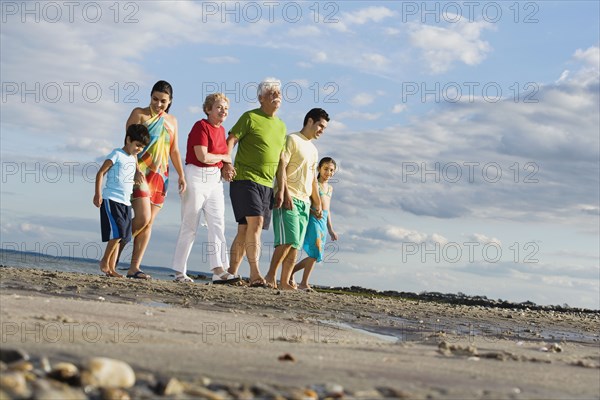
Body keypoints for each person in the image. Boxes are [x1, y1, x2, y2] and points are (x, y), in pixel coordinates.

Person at [171, 93, 241, 284]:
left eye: (226, 108)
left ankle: (219, 270)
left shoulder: (222, 130)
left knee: (218, 224)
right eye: (219, 107)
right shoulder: (200, 126)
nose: (223, 111)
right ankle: (179, 272)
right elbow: (202, 156)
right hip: (196, 176)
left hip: (215, 180)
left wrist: (227, 165)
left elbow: (220, 158)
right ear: (208, 109)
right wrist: (225, 158)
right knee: (190, 224)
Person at [223, 78, 286, 287]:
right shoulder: (250, 117)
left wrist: (280, 189)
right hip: (245, 179)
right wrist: (226, 163)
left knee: (244, 229)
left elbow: (279, 160)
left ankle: (231, 273)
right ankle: (255, 273)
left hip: (267, 185)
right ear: (261, 98)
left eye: (278, 93)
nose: (276, 96)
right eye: (271, 93)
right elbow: (231, 140)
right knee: (256, 223)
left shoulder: (281, 126)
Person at [125, 80, 187, 279]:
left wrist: (182, 175)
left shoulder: (173, 121)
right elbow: (128, 144)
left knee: (148, 223)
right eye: (155, 99)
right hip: (140, 170)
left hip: (161, 175)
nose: (158, 104)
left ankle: (134, 267)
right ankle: (114, 250)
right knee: (142, 218)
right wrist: (134, 169)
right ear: (150, 96)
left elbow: (175, 150)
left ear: (170, 102)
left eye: (163, 101)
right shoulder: (139, 114)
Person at [264, 108, 330, 290]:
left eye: (324, 128)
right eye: (320, 126)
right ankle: (270, 276)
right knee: (287, 240)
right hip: (288, 196)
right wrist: (283, 193)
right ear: (310, 121)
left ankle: (284, 282)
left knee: (295, 245)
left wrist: (316, 203)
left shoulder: (314, 150)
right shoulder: (292, 139)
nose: (322, 131)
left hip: (305, 202)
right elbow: (281, 166)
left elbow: (312, 182)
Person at [93, 124, 151, 278]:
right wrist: (97, 194)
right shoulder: (116, 154)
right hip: (111, 199)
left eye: (142, 147)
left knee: (123, 237)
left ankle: (111, 269)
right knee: (117, 233)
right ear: (128, 140)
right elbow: (100, 173)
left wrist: (138, 173)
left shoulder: (133, 157)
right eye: (137, 145)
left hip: (126, 202)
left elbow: (136, 167)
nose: (139, 149)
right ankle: (104, 261)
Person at [291, 157, 339, 291]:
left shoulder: (330, 188)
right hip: (313, 219)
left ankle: (291, 272)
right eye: (325, 169)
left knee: (316, 255)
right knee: (315, 253)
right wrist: (313, 212)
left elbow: (327, 210)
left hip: (323, 222)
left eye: (331, 170)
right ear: (319, 169)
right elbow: (306, 203)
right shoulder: (314, 184)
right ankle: (303, 283)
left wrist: (331, 229)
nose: (328, 172)